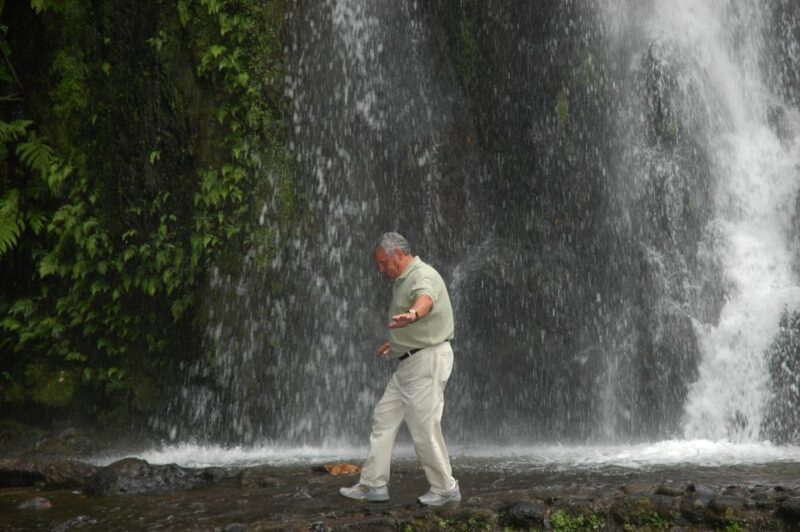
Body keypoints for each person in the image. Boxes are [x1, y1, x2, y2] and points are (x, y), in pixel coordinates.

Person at [339, 232, 461, 506]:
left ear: (399, 254)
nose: (381, 269)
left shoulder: (421, 275)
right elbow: (416, 322)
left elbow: (426, 298)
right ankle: (373, 485)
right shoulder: (403, 278)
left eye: (384, 263)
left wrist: (415, 314)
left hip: (427, 361)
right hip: (410, 361)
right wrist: (395, 342)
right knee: (383, 417)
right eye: (379, 265)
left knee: (423, 428)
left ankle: (445, 488)